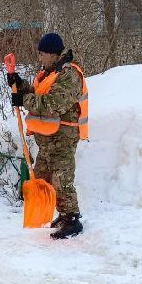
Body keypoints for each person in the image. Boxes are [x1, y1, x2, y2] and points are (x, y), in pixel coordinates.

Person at [8, 33, 88, 239]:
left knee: (62, 179)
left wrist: (23, 99)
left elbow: (52, 104)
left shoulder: (69, 75)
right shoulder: (47, 73)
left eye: (42, 54)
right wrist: (19, 84)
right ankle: (62, 214)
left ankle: (72, 219)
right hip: (48, 139)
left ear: (53, 54)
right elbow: (37, 94)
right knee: (44, 177)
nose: (40, 58)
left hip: (63, 138)